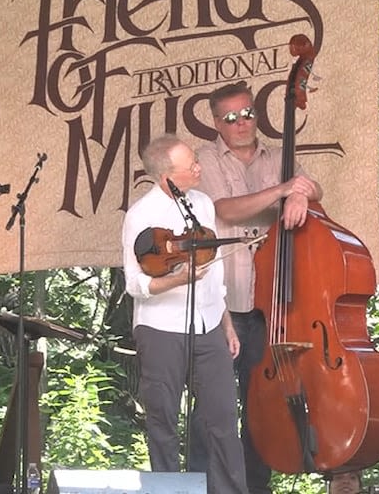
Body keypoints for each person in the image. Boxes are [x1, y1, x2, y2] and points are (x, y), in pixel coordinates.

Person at [191, 81, 322, 493]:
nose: (241, 122)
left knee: (261, 405)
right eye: (230, 117)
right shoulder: (205, 158)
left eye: (246, 112)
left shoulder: (280, 157)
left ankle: (255, 487)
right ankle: (202, 486)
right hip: (223, 301)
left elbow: (315, 190)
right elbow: (222, 210)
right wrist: (285, 191)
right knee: (210, 407)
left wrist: (303, 196)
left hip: (270, 304)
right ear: (216, 123)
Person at [120, 134, 248, 494]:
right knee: (163, 422)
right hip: (161, 328)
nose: (199, 167)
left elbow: (215, 277)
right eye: (191, 165)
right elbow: (135, 283)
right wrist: (176, 280)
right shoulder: (141, 215)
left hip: (208, 326)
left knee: (223, 418)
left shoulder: (203, 204)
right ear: (168, 178)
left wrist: (226, 325)